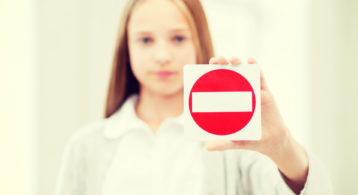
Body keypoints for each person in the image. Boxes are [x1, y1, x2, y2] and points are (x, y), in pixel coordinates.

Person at [55, 0, 332, 194]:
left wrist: (282, 146)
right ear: (126, 49)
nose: (163, 56)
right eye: (146, 40)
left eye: (178, 39)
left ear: (199, 41)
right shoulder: (85, 147)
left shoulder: (234, 142)